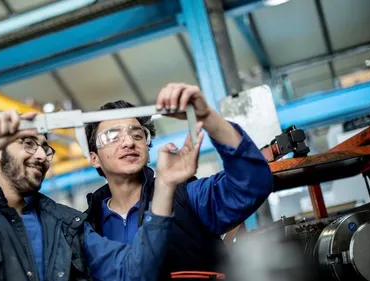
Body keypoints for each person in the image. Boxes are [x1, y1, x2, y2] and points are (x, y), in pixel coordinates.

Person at [0, 110, 205, 281]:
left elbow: (134, 273)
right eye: (28, 143)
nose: (42, 155)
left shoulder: (67, 226)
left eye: (45, 147)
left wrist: (164, 188)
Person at [84, 83, 274, 280]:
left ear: (148, 152)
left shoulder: (187, 199)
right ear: (94, 158)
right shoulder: (87, 227)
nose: (128, 142)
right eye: (113, 137)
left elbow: (253, 183)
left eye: (137, 135)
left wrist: (208, 117)